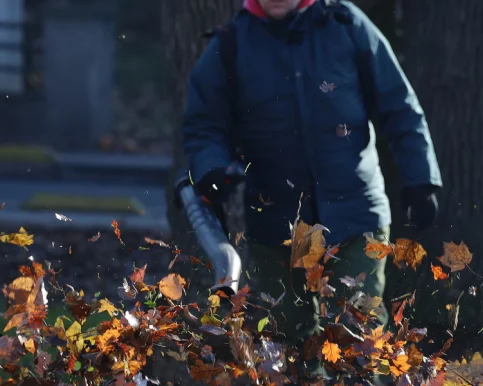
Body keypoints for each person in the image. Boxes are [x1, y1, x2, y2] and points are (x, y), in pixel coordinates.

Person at [180, 0, 442, 362]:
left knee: (358, 334)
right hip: (276, 224)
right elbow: (203, 126)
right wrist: (212, 170)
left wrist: (421, 180)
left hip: (356, 216)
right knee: (287, 344)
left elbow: (400, 106)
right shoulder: (231, 44)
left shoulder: (346, 25)